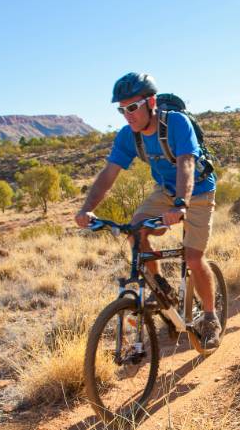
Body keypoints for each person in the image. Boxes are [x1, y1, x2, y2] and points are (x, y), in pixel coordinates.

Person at [74, 72, 222, 349]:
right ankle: (161, 290)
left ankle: (211, 317)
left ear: (150, 102)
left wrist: (181, 205)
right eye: (121, 109)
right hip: (165, 190)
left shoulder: (176, 123)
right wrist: (86, 210)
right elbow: (108, 174)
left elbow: (186, 163)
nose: (127, 114)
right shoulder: (128, 136)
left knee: (192, 257)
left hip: (199, 190)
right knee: (136, 232)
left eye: (132, 107)